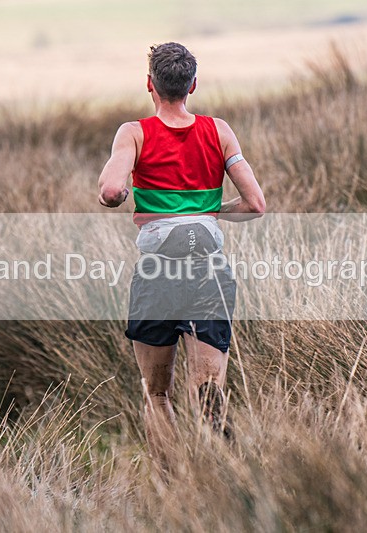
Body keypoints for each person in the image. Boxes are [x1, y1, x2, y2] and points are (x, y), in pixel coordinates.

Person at [97, 42, 265, 459]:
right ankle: (225, 478)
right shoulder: (219, 131)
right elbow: (255, 204)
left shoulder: (133, 133)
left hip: (158, 273)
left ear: (149, 84)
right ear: (193, 84)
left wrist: (121, 196)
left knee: (156, 394)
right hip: (209, 272)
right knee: (207, 389)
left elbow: (111, 190)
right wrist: (209, 211)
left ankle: (174, 490)